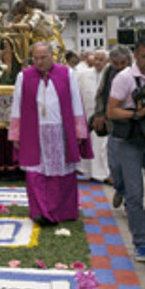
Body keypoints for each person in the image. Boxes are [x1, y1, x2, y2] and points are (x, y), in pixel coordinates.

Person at [8, 42, 92, 226]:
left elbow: (76, 101)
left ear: (51, 56)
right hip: (33, 132)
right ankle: (41, 211)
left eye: (43, 58)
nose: (39, 62)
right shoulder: (24, 76)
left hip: (60, 130)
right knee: (36, 172)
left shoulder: (67, 73)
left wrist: (79, 130)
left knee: (61, 172)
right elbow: (17, 106)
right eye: (35, 58)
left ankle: (63, 211)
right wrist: (15, 134)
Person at [107, 36, 145, 263]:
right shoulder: (123, 78)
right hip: (131, 140)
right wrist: (135, 113)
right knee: (134, 194)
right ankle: (140, 242)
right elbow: (111, 111)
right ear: (136, 55)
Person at [91, 45, 132, 208]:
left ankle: (131, 202)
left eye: (123, 63)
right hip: (113, 124)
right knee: (114, 163)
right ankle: (120, 188)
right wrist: (100, 114)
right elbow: (101, 94)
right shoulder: (109, 72)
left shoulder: (136, 72)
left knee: (131, 164)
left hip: (133, 124)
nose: (120, 67)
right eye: (116, 63)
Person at [77, 49, 109, 182]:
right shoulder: (84, 74)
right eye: (96, 59)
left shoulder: (110, 74)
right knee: (90, 144)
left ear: (107, 61)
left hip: (105, 117)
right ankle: (89, 171)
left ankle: (104, 173)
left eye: (101, 59)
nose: (98, 62)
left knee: (103, 146)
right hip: (88, 115)